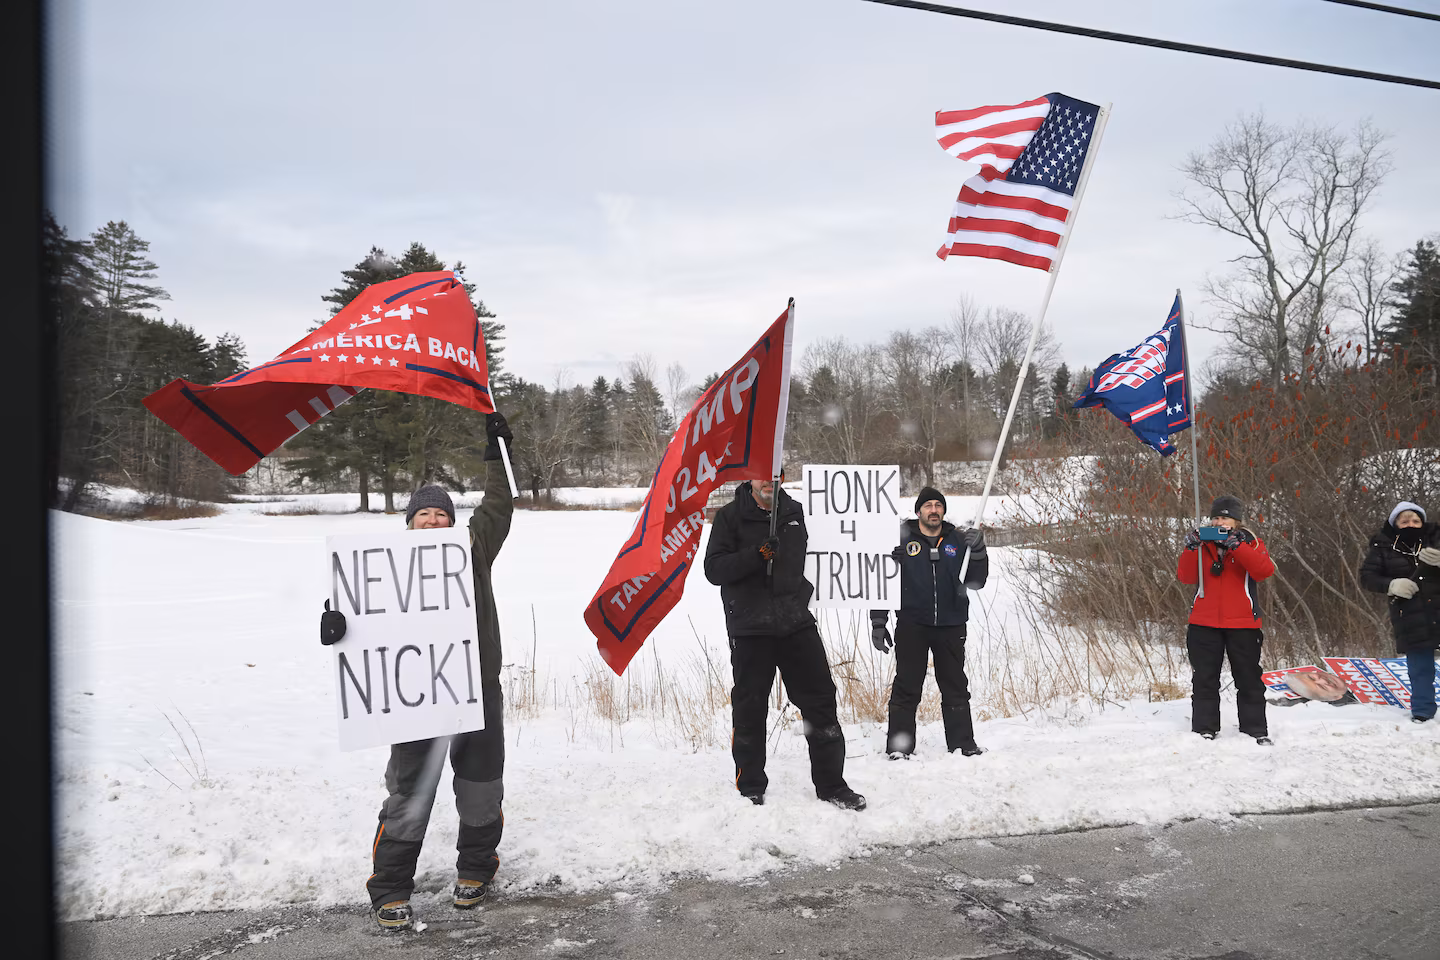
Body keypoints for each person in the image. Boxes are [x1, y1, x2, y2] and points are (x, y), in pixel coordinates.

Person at [319, 412, 515, 931]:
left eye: (441, 514)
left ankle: (476, 870)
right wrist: (337, 626)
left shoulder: (471, 551)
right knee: (409, 795)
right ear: (409, 523)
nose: (432, 521)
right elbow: (359, 616)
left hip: (474, 692)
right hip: (414, 700)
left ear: (452, 523)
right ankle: (389, 889)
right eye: (423, 514)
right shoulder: (382, 567)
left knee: (480, 789)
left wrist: (497, 454)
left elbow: (499, 506)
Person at [703, 473, 867, 811]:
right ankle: (750, 786)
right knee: (750, 708)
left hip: (795, 621)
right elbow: (714, 570)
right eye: (762, 475)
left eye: (775, 475)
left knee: (821, 701)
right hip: (750, 626)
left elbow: (826, 550)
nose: (769, 481)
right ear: (750, 478)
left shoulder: (794, 512)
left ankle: (832, 786)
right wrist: (756, 555)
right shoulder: (729, 516)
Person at [869, 486, 988, 758]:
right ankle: (899, 748)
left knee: (955, 685)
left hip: (951, 624)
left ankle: (963, 744)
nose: (934, 510)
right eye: (928, 506)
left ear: (943, 510)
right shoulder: (899, 540)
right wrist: (878, 621)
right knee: (906, 686)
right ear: (918, 511)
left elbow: (976, 582)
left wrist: (978, 552)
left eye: (938, 505)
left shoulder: (958, 540)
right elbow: (881, 581)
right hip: (912, 624)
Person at [1179, 495, 1277, 745]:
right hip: (1204, 621)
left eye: (1225, 518)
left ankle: (1255, 729)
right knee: (1204, 678)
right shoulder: (1203, 544)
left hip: (1243, 623)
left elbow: (1264, 570)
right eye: (1215, 518)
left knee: (1248, 677)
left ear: (1236, 522)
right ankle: (1205, 728)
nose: (1219, 522)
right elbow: (1186, 577)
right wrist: (1190, 548)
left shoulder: (1250, 542)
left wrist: (1236, 546)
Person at [1359, 501, 1440, 723]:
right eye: (1404, 521)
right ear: (1395, 524)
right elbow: (1367, 577)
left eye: (1416, 520)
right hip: (1410, 614)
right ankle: (1422, 711)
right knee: (1420, 667)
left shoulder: (1436, 539)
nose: (1411, 524)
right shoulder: (1383, 547)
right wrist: (1392, 584)